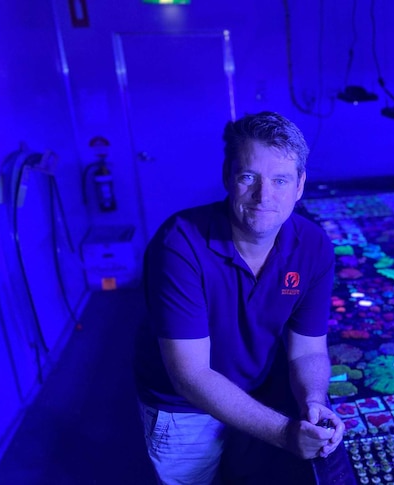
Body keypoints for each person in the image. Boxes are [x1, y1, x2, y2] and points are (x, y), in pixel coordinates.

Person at [134, 111, 345, 484]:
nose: (265, 196)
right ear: (228, 176)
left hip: (255, 394)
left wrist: (313, 399)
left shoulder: (313, 245)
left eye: (280, 180)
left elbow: (309, 350)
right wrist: (283, 433)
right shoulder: (179, 245)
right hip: (183, 410)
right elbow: (191, 375)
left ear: (300, 186)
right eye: (250, 177)